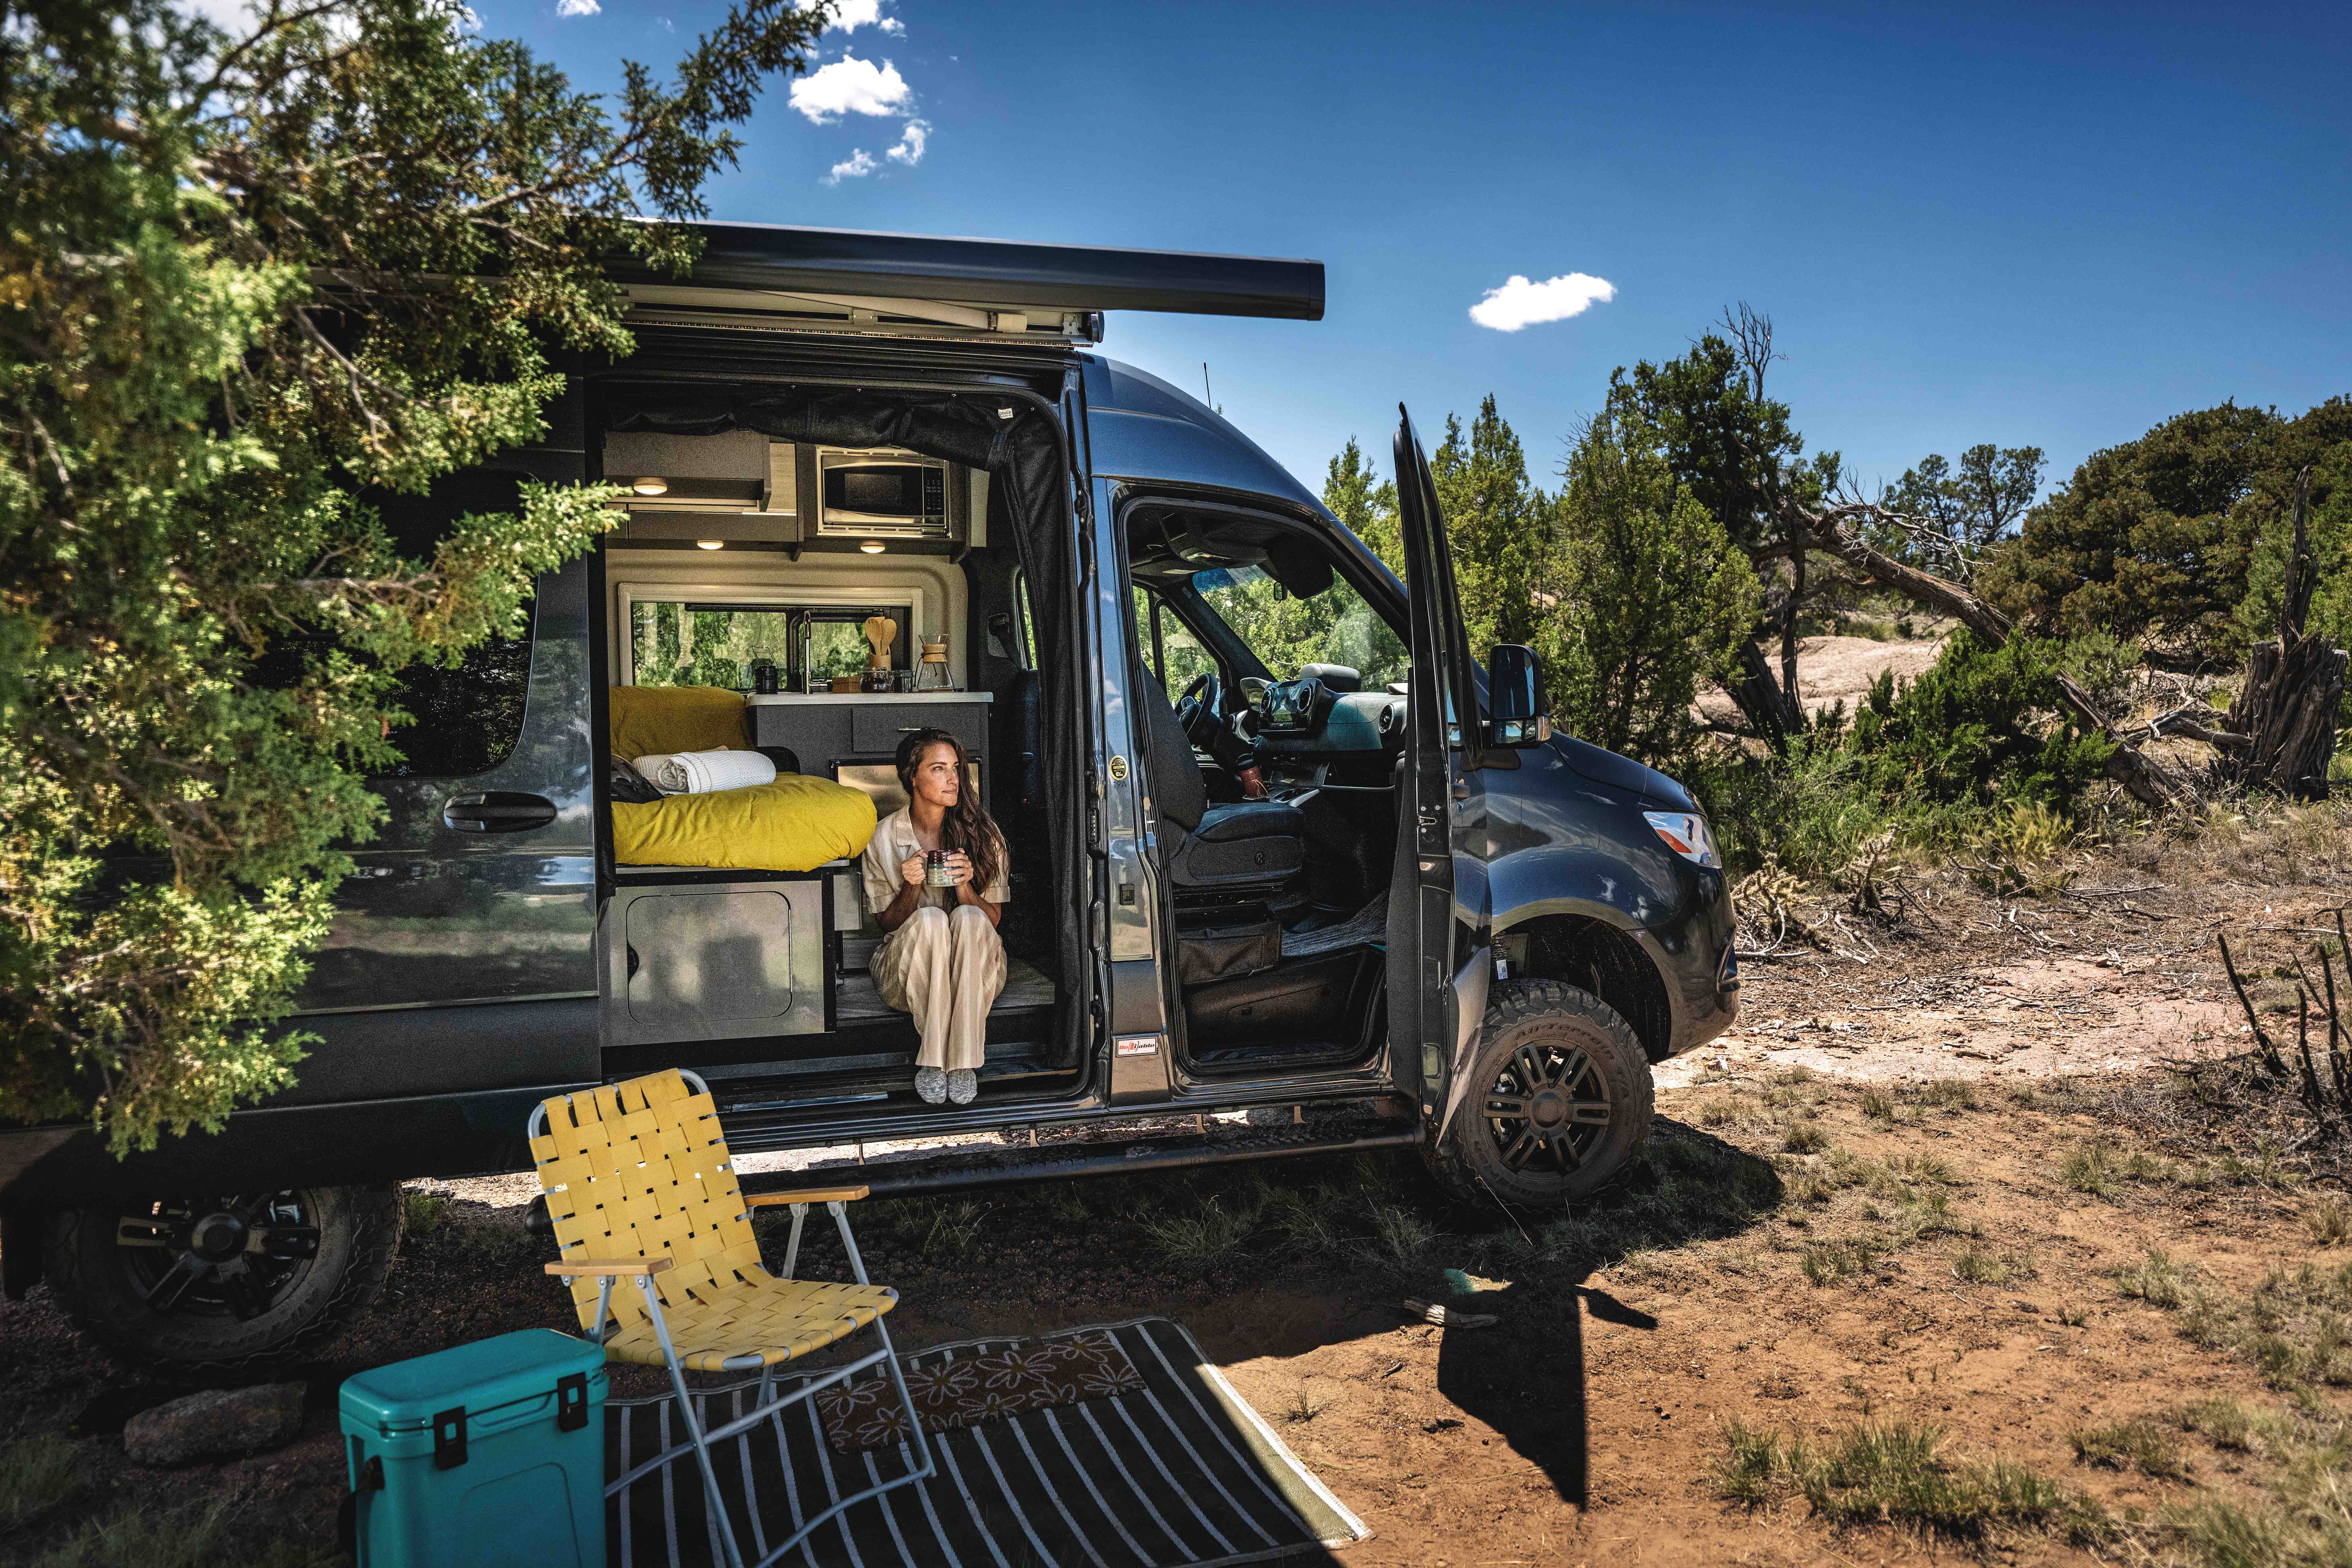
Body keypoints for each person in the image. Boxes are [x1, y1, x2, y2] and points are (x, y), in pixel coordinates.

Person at [859, 728, 1009, 1105]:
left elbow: (992, 921)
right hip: (907, 972)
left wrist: (964, 886)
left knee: (970, 919)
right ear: (912, 777)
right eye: (939, 769)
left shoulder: (984, 834)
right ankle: (936, 1061)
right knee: (930, 920)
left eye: (956, 768)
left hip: (973, 969)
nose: (954, 779)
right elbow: (887, 925)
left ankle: (960, 1064)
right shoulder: (883, 837)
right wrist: (910, 886)